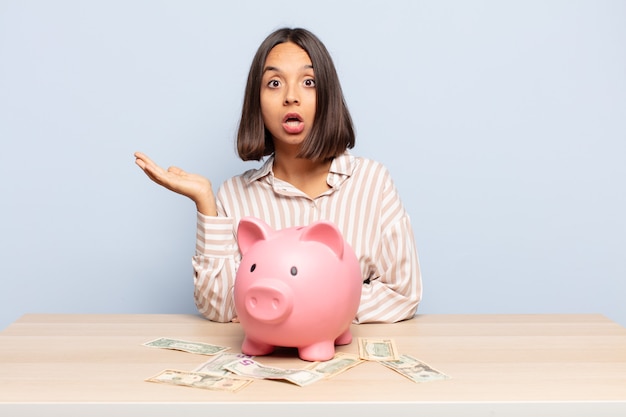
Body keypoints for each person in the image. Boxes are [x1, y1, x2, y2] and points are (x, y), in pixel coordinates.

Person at [135, 27, 422, 324]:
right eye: (274, 83)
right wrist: (205, 203)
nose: (291, 97)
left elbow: (402, 294)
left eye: (308, 82)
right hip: (264, 365)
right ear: (256, 101)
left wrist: (294, 311)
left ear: (328, 95)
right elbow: (219, 307)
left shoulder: (373, 182)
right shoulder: (234, 195)